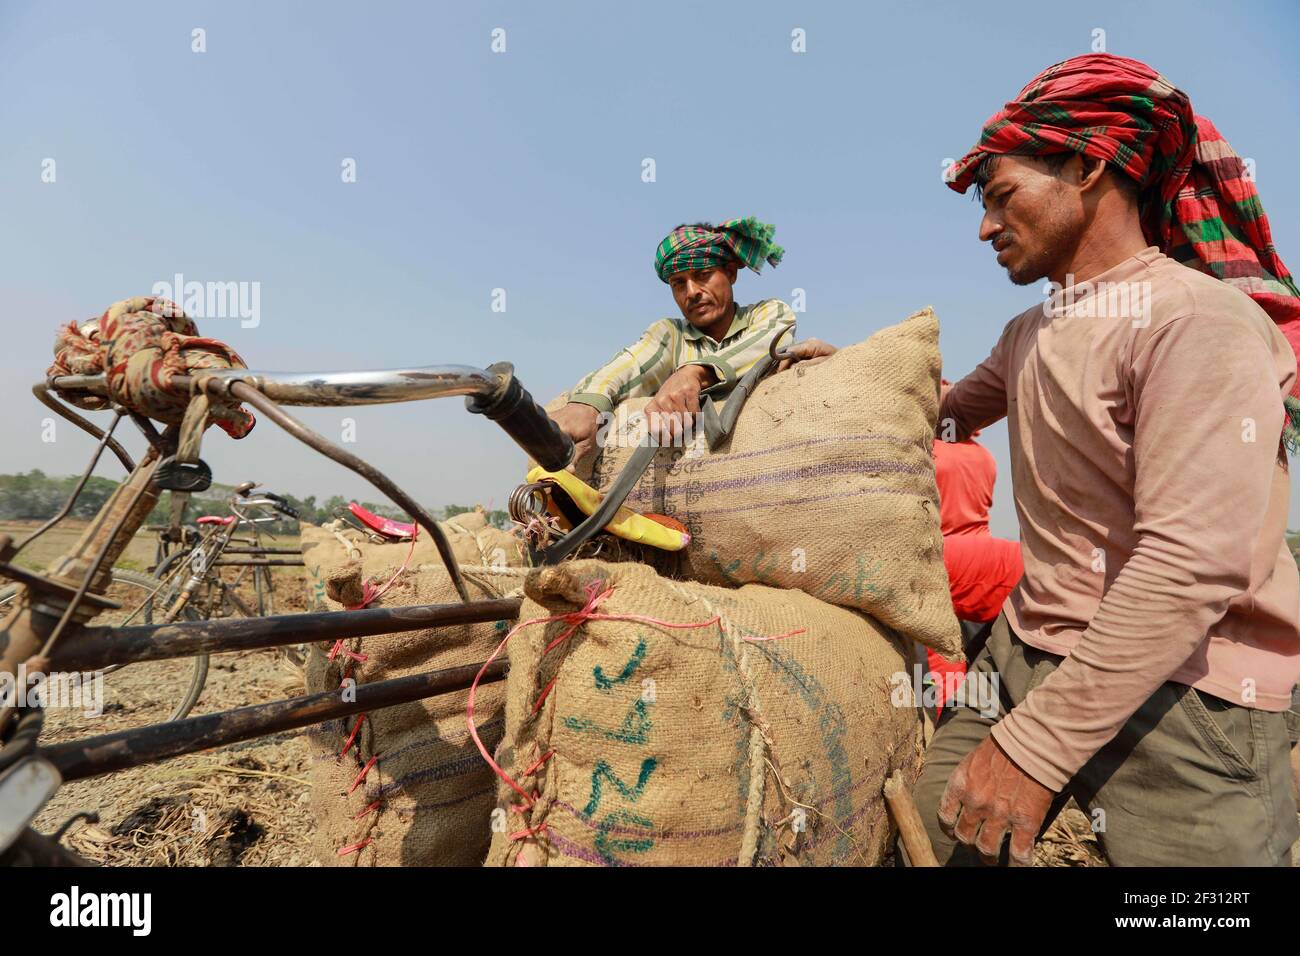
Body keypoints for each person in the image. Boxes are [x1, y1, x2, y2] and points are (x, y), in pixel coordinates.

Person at [911, 53, 1300, 866]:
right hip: (1024, 652)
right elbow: (944, 411)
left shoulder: (1196, 322)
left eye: (1002, 198)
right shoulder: (1033, 331)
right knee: (923, 834)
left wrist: (1033, 749)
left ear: (1087, 166)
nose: (985, 228)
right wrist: (832, 377)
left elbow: (1187, 565)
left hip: (1185, 697)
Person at [549, 218, 829, 453]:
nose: (692, 292)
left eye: (703, 274)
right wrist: (587, 404)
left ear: (730, 273)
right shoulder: (671, 335)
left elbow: (768, 342)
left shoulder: (769, 312)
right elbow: (630, 365)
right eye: (678, 283)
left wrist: (693, 374)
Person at [926, 434, 1023, 716]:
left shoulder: (929, 450)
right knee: (981, 658)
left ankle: (945, 722)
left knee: (939, 651)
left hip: (945, 562)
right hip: (982, 565)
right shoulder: (984, 456)